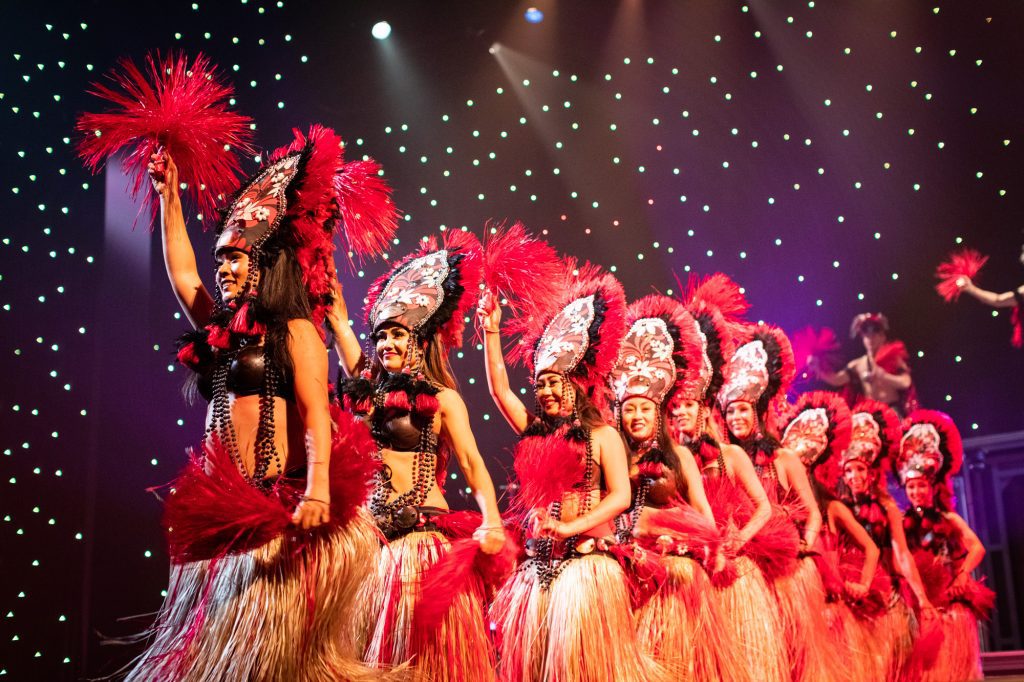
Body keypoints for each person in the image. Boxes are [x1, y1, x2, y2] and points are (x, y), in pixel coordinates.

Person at [132, 126, 387, 680]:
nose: (223, 269)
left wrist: (318, 488)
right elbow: (183, 276)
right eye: (221, 259)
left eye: (236, 259)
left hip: (281, 508)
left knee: (280, 658)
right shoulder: (222, 329)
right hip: (228, 510)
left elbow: (318, 413)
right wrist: (168, 196)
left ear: (264, 264)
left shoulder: (294, 328)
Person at [331, 231, 506, 681]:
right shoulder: (368, 390)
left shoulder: (445, 399)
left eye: (397, 334)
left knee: (427, 661)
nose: (386, 343)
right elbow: (342, 330)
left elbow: (471, 463)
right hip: (373, 546)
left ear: (420, 341)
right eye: (381, 335)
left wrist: (491, 521)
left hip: (422, 540)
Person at [479, 263, 667, 681]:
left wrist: (572, 527)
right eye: (540, 383)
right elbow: (498, 390)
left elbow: (619, 497)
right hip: (539, 566)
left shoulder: (603, 435)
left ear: (577, 383)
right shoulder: (535, 431)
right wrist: (491, 331)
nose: (544, 391)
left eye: (554, 382)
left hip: (586, 567)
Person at [608, 295, 740, 681]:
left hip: (674, 580)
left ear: (659, 413)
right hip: (624, 577)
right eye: (630, 408)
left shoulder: (680, 457)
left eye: (645, 408)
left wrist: (666, 525)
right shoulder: (612, 454)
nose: (637, 416)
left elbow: (703, 515)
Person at [665, 285, 781, 682]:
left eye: (687, 406)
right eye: (675, 406)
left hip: (734, 570)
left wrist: (740, 539)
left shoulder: (730, 456)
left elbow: (765, 507)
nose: (679, 412)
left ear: (703, 409)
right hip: (693, 568)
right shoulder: (674, 462)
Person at [718, 324, 831, 682]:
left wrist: (803, 545)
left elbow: (813, 513)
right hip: (746, 564)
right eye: (731, 411)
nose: (736, 418)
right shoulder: (728, 459)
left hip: (785, 569)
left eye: (743, 410)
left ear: (758, 411)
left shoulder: (783, 459)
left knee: (792, 651)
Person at [833, 399, 936, 680]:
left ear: (871, 471)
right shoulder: (836, 506)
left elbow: (902, 555)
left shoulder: (888, 507)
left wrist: (923, 599)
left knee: (884, 664)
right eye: (849, 470)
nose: (855, 476)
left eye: (861, 470)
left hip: (882, 594)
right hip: (848, 590)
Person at [898, 410, 993, 682]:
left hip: (947, 599)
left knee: (952, 667)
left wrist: (963, 573)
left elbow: (977, 547)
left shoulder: (947, 517)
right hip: (920, 600)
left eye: (921, 486)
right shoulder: (903, 522)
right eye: (911, 487)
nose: (916, 492)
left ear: (931, 486)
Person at [812, 313, 917, 417]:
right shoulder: (857, 364)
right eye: (866, 335)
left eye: (874, 334)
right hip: (870, 413)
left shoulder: (894, 358)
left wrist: (884, 376)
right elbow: (837, 380)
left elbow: (906, 382)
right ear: (862, 338)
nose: (870, 338)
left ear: (882, 336)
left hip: (892, 410)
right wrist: (818, 369)